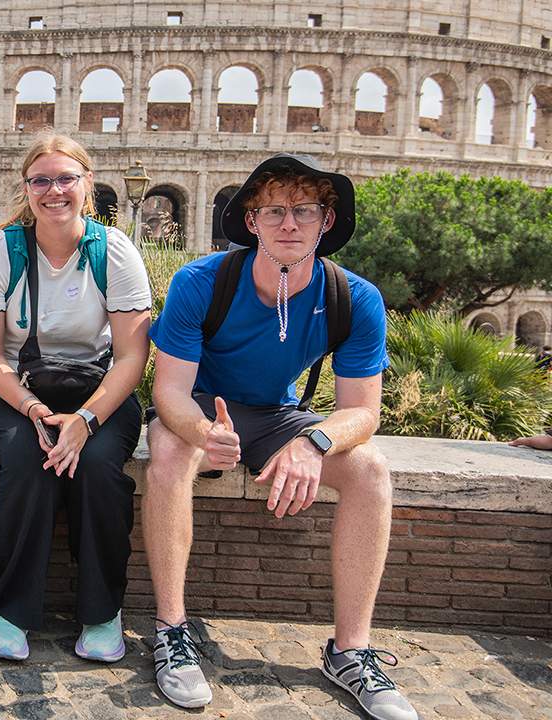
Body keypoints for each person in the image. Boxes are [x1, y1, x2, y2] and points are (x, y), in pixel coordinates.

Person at [145, 153, 416, 720]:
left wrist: (313, 442)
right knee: (170, 450)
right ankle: (171, 632)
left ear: (326, 221)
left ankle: (350, 650)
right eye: (273, 210)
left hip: (277, 415)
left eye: (304, 210)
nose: (289, 223)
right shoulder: (202, 281)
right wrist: (202, 430)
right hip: (203, 407)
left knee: (370, 469)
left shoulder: (354, 298)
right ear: (251, 221)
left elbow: (363, 413)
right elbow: (168, 390)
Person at [0, 133, 151, 664]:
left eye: (67, 178)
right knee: (26, 457)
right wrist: (35, 411)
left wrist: (86, 419)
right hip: (10, 390)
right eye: (41, 180)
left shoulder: (114, 251)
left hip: (99, 391)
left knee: (97, 467)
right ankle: (12, 609)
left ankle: (102, 612)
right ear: (27, 189)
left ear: (87, 185)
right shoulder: (2, 249)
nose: (54, 190)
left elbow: (133, 358)